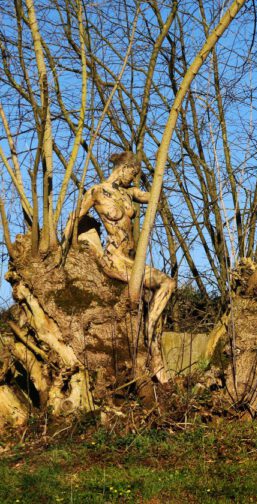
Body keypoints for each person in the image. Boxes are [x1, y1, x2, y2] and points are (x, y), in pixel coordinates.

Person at [66, 151, 175, 381]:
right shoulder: (96, 192)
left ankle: (151, 340)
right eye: (133, 174)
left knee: (160, 291)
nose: (133, 179)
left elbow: (153, 195)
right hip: (115, 258)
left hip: (131, 260)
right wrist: (63, 246)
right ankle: (153, 348)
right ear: (124, 168)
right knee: (167, 283)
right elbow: (75, 216)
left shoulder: (129, 193)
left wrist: (159, 170)